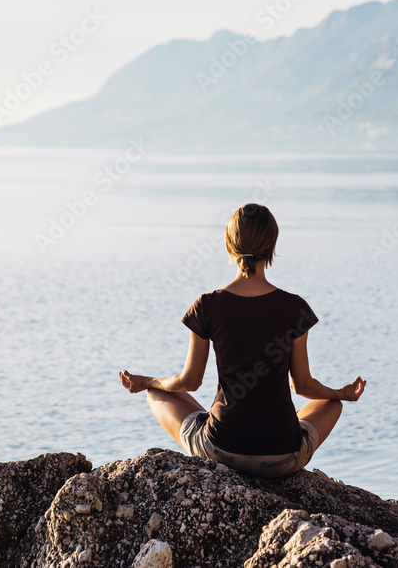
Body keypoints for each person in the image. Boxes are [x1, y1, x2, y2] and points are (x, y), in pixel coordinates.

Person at [119, 203, 366, 478]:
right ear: (272, 247)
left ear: (229, 246)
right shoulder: (294, 307)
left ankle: (212, 421)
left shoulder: (207, 305)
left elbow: (190, 382)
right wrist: (341, 394)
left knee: (157, 393)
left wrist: (149, 382)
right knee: (331, 403)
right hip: (282, 457)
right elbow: (303, 385)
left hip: (222, 452)